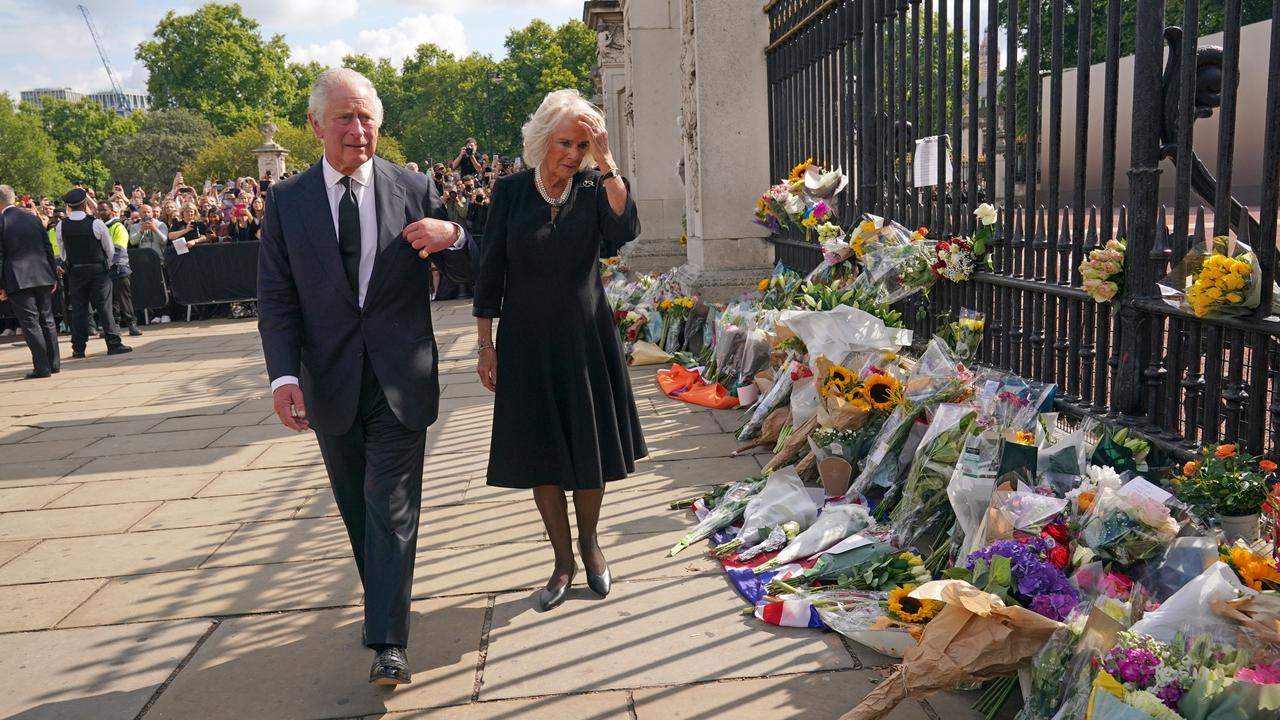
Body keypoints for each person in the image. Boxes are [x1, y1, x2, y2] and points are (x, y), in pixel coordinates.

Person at [257, 67, 473, 687]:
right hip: (329, 383)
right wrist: (282, 377)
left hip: (401, 381)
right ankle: (384, 599)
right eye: (345, 118)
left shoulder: (415, 187)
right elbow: (276, 300)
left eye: (367, 118)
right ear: (315, 125)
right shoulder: (287, 201)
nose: (358, 130)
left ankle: (388, 642)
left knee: (391, 505)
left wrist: (452, 234)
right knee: (358, 507)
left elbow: (474, 270)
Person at [473, 89, 646, 612]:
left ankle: (592, 547)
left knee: (587, 449)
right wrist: (485, 344)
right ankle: (562, 561)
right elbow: (491, 273)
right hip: (526, 341)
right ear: (543, 140)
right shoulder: (508, 192)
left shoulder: (595, 186)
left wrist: (609, 158)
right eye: (566, 143)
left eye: (583, 145)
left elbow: (624, 230)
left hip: (585, 337)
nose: (573, 155)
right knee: (543, 454)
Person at [56, 188, 131, 358]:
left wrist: (71, 262)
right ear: (84, 204)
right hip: (98, 270)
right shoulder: (95, 223)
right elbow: (110, 249)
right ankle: (113, 343)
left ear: (69, 206)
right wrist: (107, 264)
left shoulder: (62, 226)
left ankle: (79, 348)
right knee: (104, 307)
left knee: (79, 309)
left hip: (75, 270)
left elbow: (63, 252)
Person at [0, 185, 61, 378]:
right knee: (47, 319)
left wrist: (1, 285)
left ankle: (42, 366)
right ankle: (54, 363)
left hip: (18, 278)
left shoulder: (2, 222)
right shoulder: (33, 219)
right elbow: (48, 248)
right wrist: (53, 275)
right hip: (42, 274)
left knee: (30, 322)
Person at [98, 200, 141, 337]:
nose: (100, 213)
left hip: (119, 267)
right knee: (110, 300)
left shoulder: (118, 227)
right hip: (105, 268)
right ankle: (114, 326)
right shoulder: (100, 227)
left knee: (123, 299)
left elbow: (118, 249)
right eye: (99, 210)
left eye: (103, 210)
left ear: (112, 211)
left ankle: (132, 325)